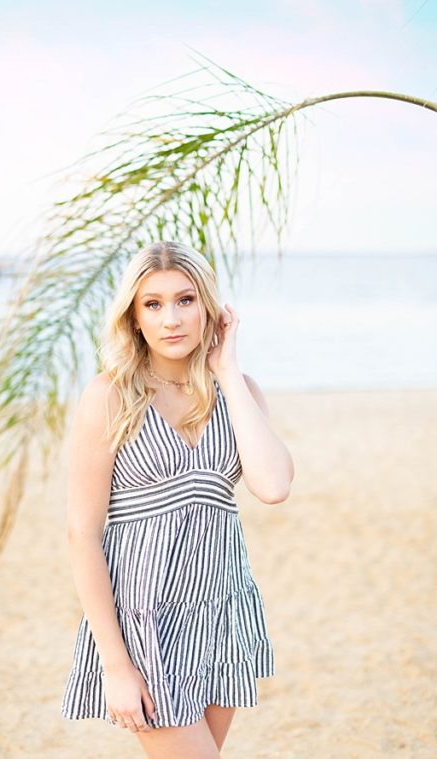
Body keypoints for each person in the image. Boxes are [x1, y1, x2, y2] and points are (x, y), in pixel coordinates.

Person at [61, 241, 294, 758]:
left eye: (186, 300)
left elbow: (274, 486)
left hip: (222, 614)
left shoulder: (239, 391)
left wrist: (229, 373)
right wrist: (116, 665)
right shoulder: (109, 396)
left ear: (210, 308)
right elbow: (82, 534)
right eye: (153, 304)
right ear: (134, 317)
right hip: (145, 624)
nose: (171, 318)